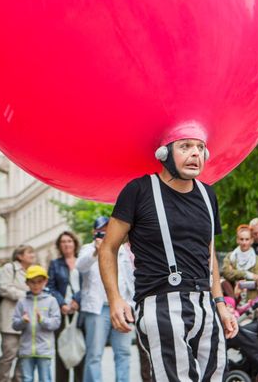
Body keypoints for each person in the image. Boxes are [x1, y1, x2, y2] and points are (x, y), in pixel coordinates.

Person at [99, 126, 237, 382]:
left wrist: (221, 304)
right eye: (185, 147)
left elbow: (210, 253)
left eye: (200, 148)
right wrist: (115, 298)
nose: (195, 154)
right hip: (159, 303)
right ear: (164, 153)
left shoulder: (208, 195)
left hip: (205, 303)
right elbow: (108, 247)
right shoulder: (138, 190)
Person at [76, 216, 135, 382]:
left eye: (108, 229)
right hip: (97, 309)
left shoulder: (122, 250)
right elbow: (80, 266)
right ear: (95, 232)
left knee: (123, 352)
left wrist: (131, 305)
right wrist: (97, 251)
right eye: (101, 231)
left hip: (122, 308)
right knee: (94, 353)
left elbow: (130, 279)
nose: (106, 233)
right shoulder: (88, 249)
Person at [12, 265, 61, 382]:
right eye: (32, 282)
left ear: (45, 282)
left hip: (44, 350)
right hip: (26, 350)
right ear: (27, 283)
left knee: (45, 379)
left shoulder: (51, 301)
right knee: (26, 378)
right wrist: (22, 321)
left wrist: (42, 320)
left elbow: (56, 323)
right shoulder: (22, 302)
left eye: (39, 282)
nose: (36, 285)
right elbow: (14, 325)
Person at [0, 244, 36, 382]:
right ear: (19, 256)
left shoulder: (33, 270)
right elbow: (3, 288)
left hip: (28, 321)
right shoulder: (10, 268)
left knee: (24, 357)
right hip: (10, 320)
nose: (32, 255)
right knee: (8, 356)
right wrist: (26, 294)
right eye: (29, 252)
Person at [48, 231, 84, 382]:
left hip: (81, 312)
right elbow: (50, 287)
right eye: (63, 242)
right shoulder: (55, 264)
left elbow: (88, 285)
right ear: (59, 246)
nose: (66, 244)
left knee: (80, 350)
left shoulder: (83, 262)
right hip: (62, 313)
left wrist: (77, 300)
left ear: (74, 244)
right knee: (62, 352)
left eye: (69, 241)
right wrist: (61, 303)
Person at [222, 225, 258, 302]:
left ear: (251, 240)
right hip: (232, 296)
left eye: (247, 239)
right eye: (241, 239)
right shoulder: (230, 256)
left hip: (250, 298)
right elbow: (226, 273)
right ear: (237, 240)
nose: (244, 242)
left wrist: (234, 273)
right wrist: (247, 274)